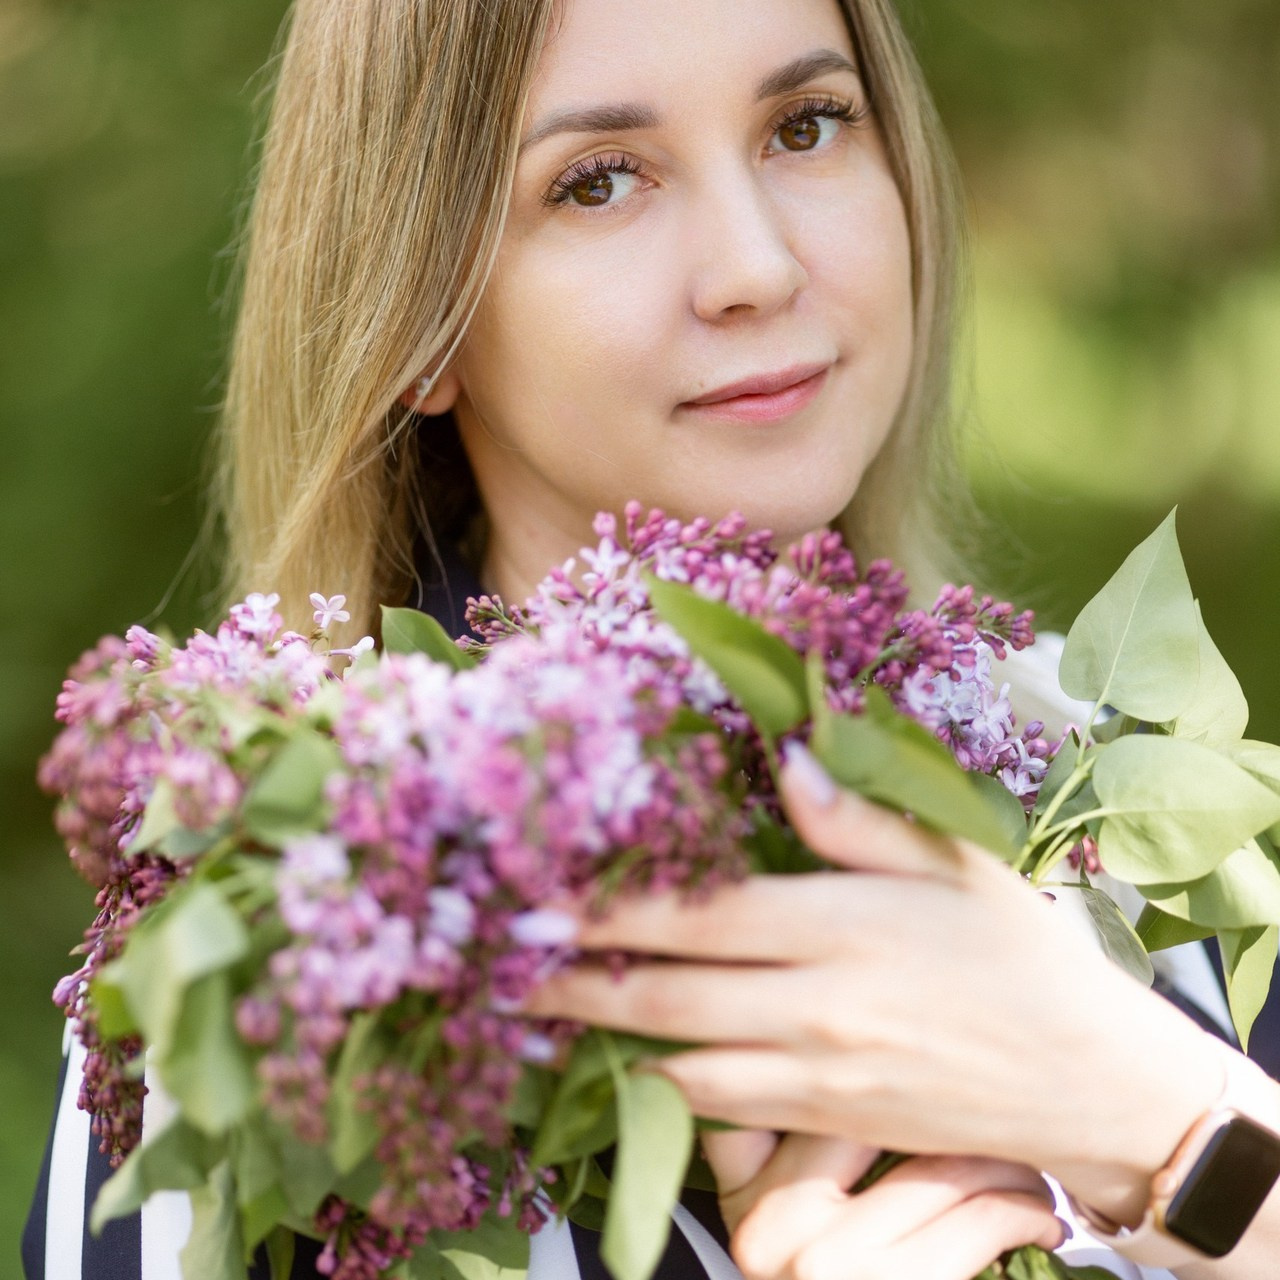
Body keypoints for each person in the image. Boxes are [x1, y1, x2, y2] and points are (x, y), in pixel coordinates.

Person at [23, 0, 1280, 1277]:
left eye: (805, 125)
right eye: (597, 181)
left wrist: (1161, 1124)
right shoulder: (273, 976)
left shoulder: (1103, 781)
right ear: (421, 319)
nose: (758, 267)